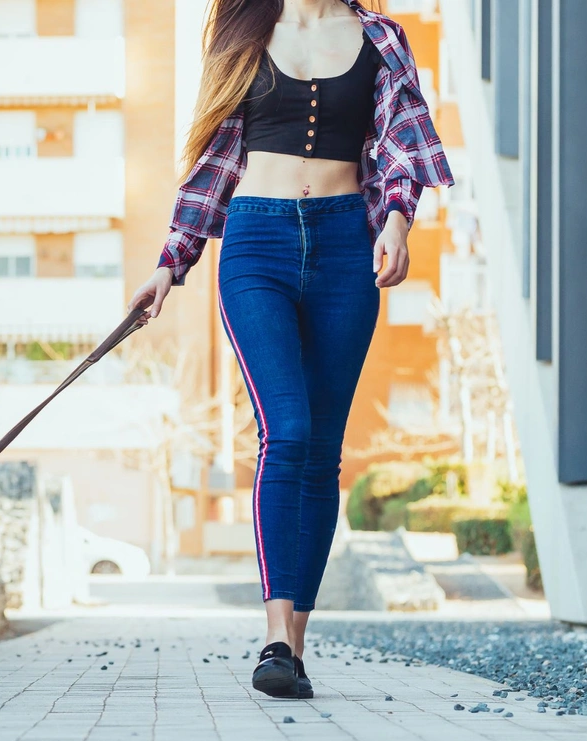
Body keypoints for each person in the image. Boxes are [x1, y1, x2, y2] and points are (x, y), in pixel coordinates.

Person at [129, 0, 452, 699]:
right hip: (256, 243)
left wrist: (396, 221)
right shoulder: (243, 31)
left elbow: (402, 140)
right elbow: (216, 155)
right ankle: (275, 633)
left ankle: (294, 647)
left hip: (344, 245)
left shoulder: (380, 38)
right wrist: (170, 261)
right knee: (289, 431)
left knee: (324, 450)